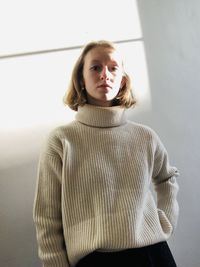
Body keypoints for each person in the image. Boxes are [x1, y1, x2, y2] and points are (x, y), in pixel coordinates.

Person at [33, 40, 180, 267]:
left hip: (154, 256)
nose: (105, 74)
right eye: (95, 67)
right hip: (95, 261)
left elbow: (167, 177)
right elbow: (46, 218)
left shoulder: (145, 137)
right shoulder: (61, 141)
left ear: (122, 80)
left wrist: (165, 222)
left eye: (113, 68)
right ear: (81, 78)